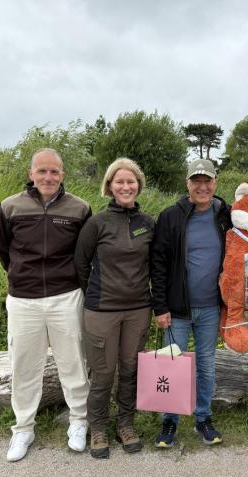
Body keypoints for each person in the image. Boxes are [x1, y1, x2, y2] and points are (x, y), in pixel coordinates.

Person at [0, 148, 91, 462]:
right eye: (42, 171)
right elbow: (5, 252)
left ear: (62, 174)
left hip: (66, 296)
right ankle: (23, 428)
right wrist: (22, 276)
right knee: (24, 365)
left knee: (73, 362)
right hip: (24, 299)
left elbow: (83, 253)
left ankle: (79, 421)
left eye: (54, 171)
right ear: (31, 174)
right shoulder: (10, 206)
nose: (48, 177)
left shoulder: (79, 208)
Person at [74, 158, 154, 459]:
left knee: (131, 369)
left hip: (138, 309)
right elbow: (81, 264)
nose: (125, 186)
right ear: (109, 186)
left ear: (138, 186)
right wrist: (96, 293)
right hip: (102, 310)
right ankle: (98, 428)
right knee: (103, 373)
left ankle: (125, 424)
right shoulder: (97, 223)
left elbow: (155, 265)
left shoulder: (148, 223)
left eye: (131, 181)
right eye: (119, 181)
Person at [150, 158, 231, 447]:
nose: (202, 186)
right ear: (188, 184)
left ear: (215, 183)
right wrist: (160, 307)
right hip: (177, 309)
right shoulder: (171, 216)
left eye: (207, 181)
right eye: (197, 181)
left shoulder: (225, 216)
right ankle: (169, 421)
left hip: (211, 308)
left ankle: (203, 418)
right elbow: (158, 264)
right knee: (172, 365)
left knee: (206, 366)